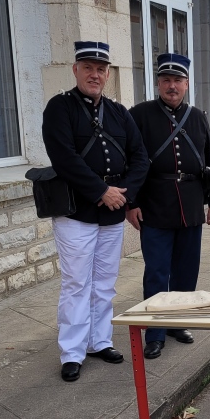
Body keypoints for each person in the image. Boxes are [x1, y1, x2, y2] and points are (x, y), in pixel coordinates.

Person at [42, 41, 149, 382]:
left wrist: (122, 193)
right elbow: (64, 158)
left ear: (107, 75)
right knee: (76, 284)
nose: (95, 74)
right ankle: (72, 351)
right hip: (77, 213)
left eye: (101, 69)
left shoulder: (119, 112)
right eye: (88, 67)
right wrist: (101, 191)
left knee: (104, 284)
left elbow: (140, 157)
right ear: (75, 70)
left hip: (112, 214)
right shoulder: (59, 108)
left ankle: (99, 341)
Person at [128, 53, 210, 359]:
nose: (172, 86)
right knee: (156, 273)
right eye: (166, 80)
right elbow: (132, 163)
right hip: (154, 204)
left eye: (177, 81)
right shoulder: (139, 114)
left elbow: (209, 157)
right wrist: (131, 203)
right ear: (158, 83)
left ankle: (177, 322)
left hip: (192, 204)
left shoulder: (197, 116)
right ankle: (155, 332)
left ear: (186, 84)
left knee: (186, 271)